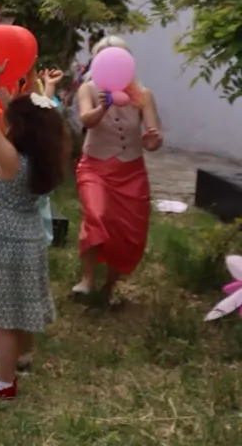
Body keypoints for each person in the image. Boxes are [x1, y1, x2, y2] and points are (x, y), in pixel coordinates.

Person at [0, 48, 68, 400]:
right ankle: (19, 360)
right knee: (22, 308)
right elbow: (32, 118)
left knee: (5, 318)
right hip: (27, 239)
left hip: (6, 242)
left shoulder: (12, 162)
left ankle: (4, 382)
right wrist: (15, 100)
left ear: (22, 130)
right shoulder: (41, 158)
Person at [74, 37, 162, 305]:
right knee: (97, 216)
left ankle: (109, 286)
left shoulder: (143, 94)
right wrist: (104, 106)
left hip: (131, 170)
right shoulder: (88, 89)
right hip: (95, 166)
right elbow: (86, 120)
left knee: (127, 231)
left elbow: (154, 136)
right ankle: (87, 280)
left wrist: (152, 139)